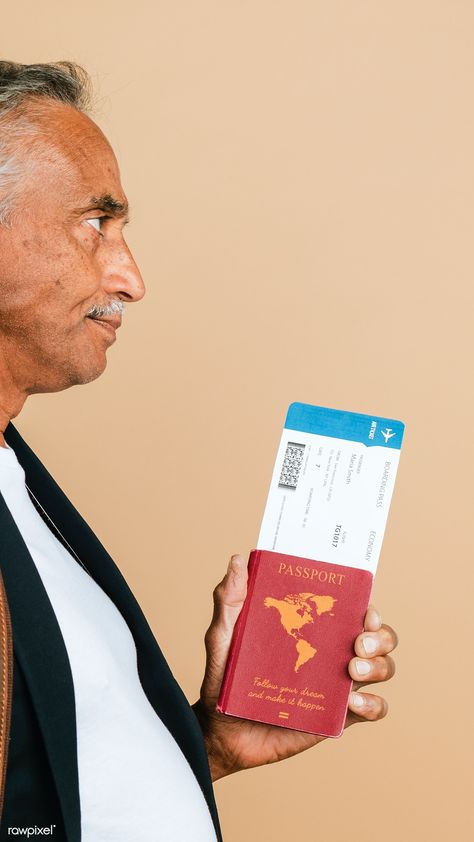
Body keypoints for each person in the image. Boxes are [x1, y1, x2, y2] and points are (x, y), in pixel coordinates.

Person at [0, 61, 398, 842]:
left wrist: (203, 744)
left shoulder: (20, 482)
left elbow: (43, 786)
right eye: (96, 223)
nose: (131, 276)